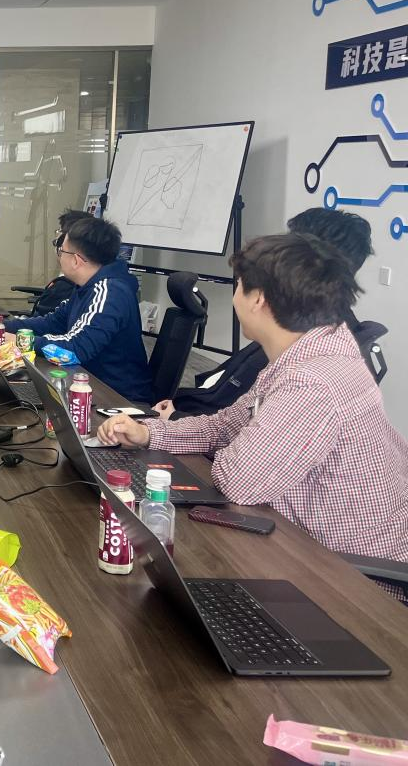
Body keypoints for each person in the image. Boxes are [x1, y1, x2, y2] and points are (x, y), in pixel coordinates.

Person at [98, 233, 408, 600]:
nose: (234, 298)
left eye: (239, 286)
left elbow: (238, 479)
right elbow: (225, 425)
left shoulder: (312, 382)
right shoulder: (312, 350)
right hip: (303, 543)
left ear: (258, 299)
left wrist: (240, 444)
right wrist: (149, 433)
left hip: (351, 581)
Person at [162, 207, 377, 418]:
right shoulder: (326, 329)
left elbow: (240, 428)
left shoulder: (305, 362)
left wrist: (174, 418)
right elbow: (231, 420)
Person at [0, 216, 152, 403]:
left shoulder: (109, 293)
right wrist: (1, 326)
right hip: (84, 383)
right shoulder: (86, 286)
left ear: (76, 260)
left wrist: (21, 341)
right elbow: (52, 322)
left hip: (117, 398)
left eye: (61, 251)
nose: (59, 256)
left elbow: (75, 349)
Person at [25, 208, 96, 316]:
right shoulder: (78, 284)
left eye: (60, 233)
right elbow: (53, 321)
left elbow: (49, 322)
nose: (57, 240)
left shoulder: (66, 286)